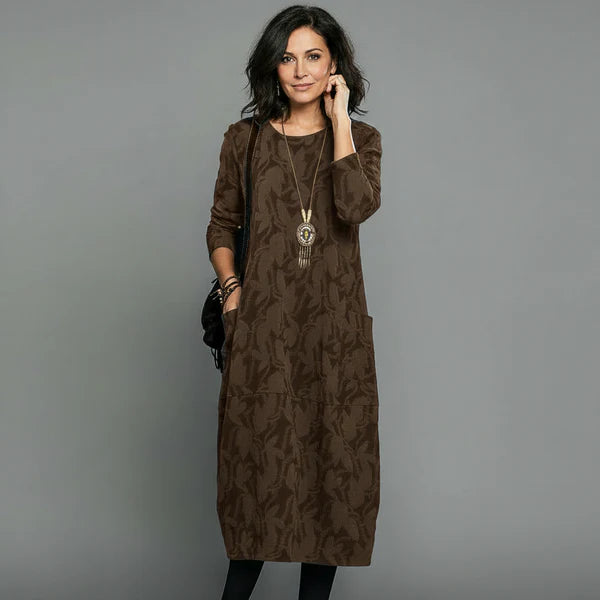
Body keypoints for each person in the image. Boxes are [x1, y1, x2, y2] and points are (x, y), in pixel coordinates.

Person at [206, 5, 383, 599]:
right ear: (272, 66)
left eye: (314, 57)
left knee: (333, 478)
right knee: (257, 482)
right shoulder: (245, 140)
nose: (301, 70)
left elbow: (354, 207)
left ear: (335, 66)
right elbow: (222, 226)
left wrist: (340, 121)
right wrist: (233, 296)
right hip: (264, 336)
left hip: (334, 340)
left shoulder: (362, 140)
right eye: (288, 57)